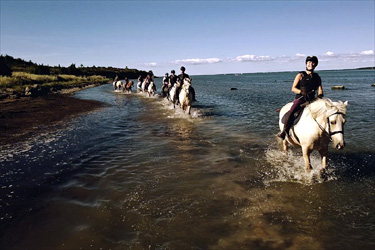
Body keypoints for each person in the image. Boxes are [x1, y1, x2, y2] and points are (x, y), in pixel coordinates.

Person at [277, 56, 324, 139]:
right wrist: (301, 92)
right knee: (292, 111)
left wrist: (319, 96)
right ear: (306, 64)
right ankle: (284, 131)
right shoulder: (300, 75)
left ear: (315, 64)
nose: (311, 64)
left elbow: (320, 89)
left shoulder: (317, 77)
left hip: (312, 100)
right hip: (301, 99)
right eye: (309, 62)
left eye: (313, 62)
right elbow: (293, 88)